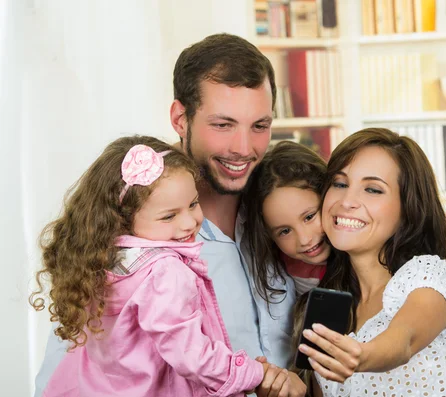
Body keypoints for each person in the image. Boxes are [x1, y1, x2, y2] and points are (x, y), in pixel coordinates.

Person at [34, 33, 305, 397]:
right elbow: (72, 378)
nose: (244, 149)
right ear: (180, 118)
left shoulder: (285, 215)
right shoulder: (128, 243)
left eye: (260, 126)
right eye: (223, 125)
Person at [30, 136, 276, 396]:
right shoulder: (165, 272)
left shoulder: (99, 260)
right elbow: (192, 355)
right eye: (169, 216)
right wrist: (253, 373)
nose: (189, 223)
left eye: (193, 204)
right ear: (123, 218)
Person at [297, 128, 446, 396]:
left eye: (373, 190)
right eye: (339, 184)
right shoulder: (327, 307)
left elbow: (404, 339)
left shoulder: (432, 278)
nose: (347, 201)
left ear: (408, 209)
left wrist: (363, 356)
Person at [243, 140, 330, 299]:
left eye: (309, 217)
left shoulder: (363, 257)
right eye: (285, 231)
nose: (304, 239)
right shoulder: (281, 268)